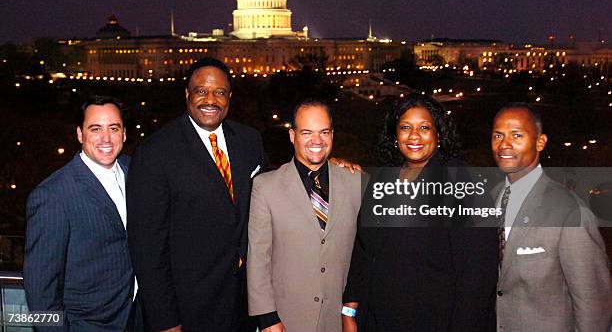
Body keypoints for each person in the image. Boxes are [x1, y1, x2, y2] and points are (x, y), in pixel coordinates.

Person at [127, 58, 265, 331]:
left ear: (230, 97)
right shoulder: (155, 153)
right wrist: (166, 321)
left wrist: (329, 169)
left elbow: (270, 199)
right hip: (188, 309)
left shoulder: (250, 141)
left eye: (220, 92)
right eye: (201, 91)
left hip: (243, 306)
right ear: (187, 94)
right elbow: (147, 248)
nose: (210, 100)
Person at [343, 93, 498, 331]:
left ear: (439, 134)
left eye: (424, 127)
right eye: (405, 127)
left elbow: (477, 280)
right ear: (395, 135)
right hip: (376, 319)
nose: (414, 135)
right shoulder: (382, 180)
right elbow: (363, 250)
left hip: (434, 321)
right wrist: (349, 308)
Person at [492, 102, 612, 331]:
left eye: (516, 135)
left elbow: (593, 304)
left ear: (540, 142)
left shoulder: (569, 211)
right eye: (498, 135)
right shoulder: (492, 198)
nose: (504, 144)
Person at [24, 95, 138, 331]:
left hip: (136, 319)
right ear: (80, 134)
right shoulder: (52, 195)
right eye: (95, 129)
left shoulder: (136, 171)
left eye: (113, 128)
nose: (106, 138)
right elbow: (40, 291)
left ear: (124, 134)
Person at [247, 99, 362, 332]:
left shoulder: (356, 181)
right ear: (293, 135)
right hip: (285, 319)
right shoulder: (265, 186)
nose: (316, 140)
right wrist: (267, 318)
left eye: (324, 132)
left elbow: (362, 252)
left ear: (332, 135)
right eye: (307, 132)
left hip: (337, 321)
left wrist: (350, 310)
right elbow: (258, 258)